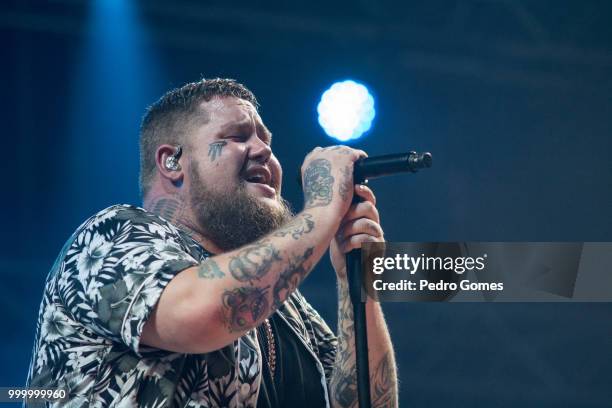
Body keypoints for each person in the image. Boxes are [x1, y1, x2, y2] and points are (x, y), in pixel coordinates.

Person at [26, 78, 397, 407]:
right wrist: (321, 208)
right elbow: (199, 315)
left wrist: (355, 279)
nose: (265, 151)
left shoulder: (288, 309)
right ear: (172, 161)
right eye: (237, 136)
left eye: (266, 140)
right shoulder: (111, 236)